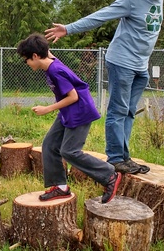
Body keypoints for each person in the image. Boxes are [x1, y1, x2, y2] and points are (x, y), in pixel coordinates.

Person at [45, 0, 164, 174]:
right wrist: (68, 29)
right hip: (122, 62)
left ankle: (125, 157)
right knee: (118, 110)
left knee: (130, 112)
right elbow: (102, 15)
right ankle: (115, 158)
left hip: (141, 66)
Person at [17, 33, 121, 204]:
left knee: (69, 151)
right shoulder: (49, 61)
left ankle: (109, 175)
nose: (27, 63)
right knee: (50, 144)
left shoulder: (55, 70)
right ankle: (60, 187)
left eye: (26, 59)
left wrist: (47, 109)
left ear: (35, 56)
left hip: (80, 111)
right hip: (68, 111)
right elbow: (48, 52)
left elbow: (73, 96)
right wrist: (40, 41)